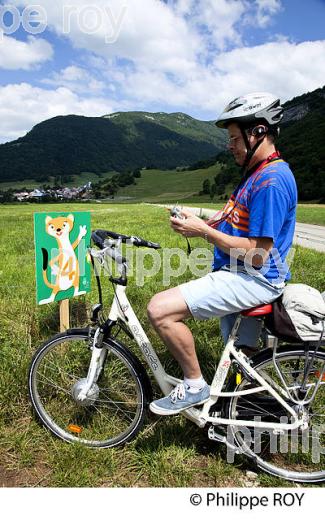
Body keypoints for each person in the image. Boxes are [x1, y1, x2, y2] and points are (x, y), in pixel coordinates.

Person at [147, 92, 298, 415]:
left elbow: (258, 254)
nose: (230, 146)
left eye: (233, 138)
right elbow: (232, 220)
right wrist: (199, 220)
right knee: (241, 358)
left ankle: (193, 385)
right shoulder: (257, 175)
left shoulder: (270, 181)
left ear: (257, 132)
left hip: (252, 276)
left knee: (160, 309)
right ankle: (242, 413)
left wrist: (204, 232)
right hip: (246, 275)